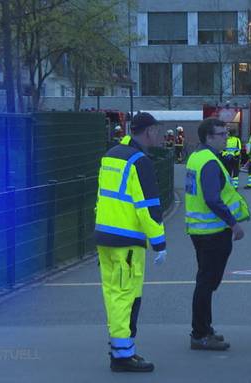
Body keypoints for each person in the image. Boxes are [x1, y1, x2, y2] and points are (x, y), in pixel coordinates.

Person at [94, 112, 167, 372]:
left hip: (105, 235)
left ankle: (124, 350)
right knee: (126, 297)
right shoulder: (140, 162)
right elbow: (147, 206)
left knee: (115, 294)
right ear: (148, 132)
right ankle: (122, 356)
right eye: (156, 131)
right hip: (127, 240)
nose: (157, 135)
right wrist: (159, 242)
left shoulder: (111, 154)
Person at [185, 118, 250, 351]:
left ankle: (204, 329)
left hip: (199, 230)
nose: (226, 137)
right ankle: (200, 333)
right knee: (207, 283)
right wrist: (234, 224)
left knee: (205, 281)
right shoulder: (210, 162)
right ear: (209, 137)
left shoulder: (197, 157)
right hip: (213, 232)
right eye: (222, 134)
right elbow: (212, 198)